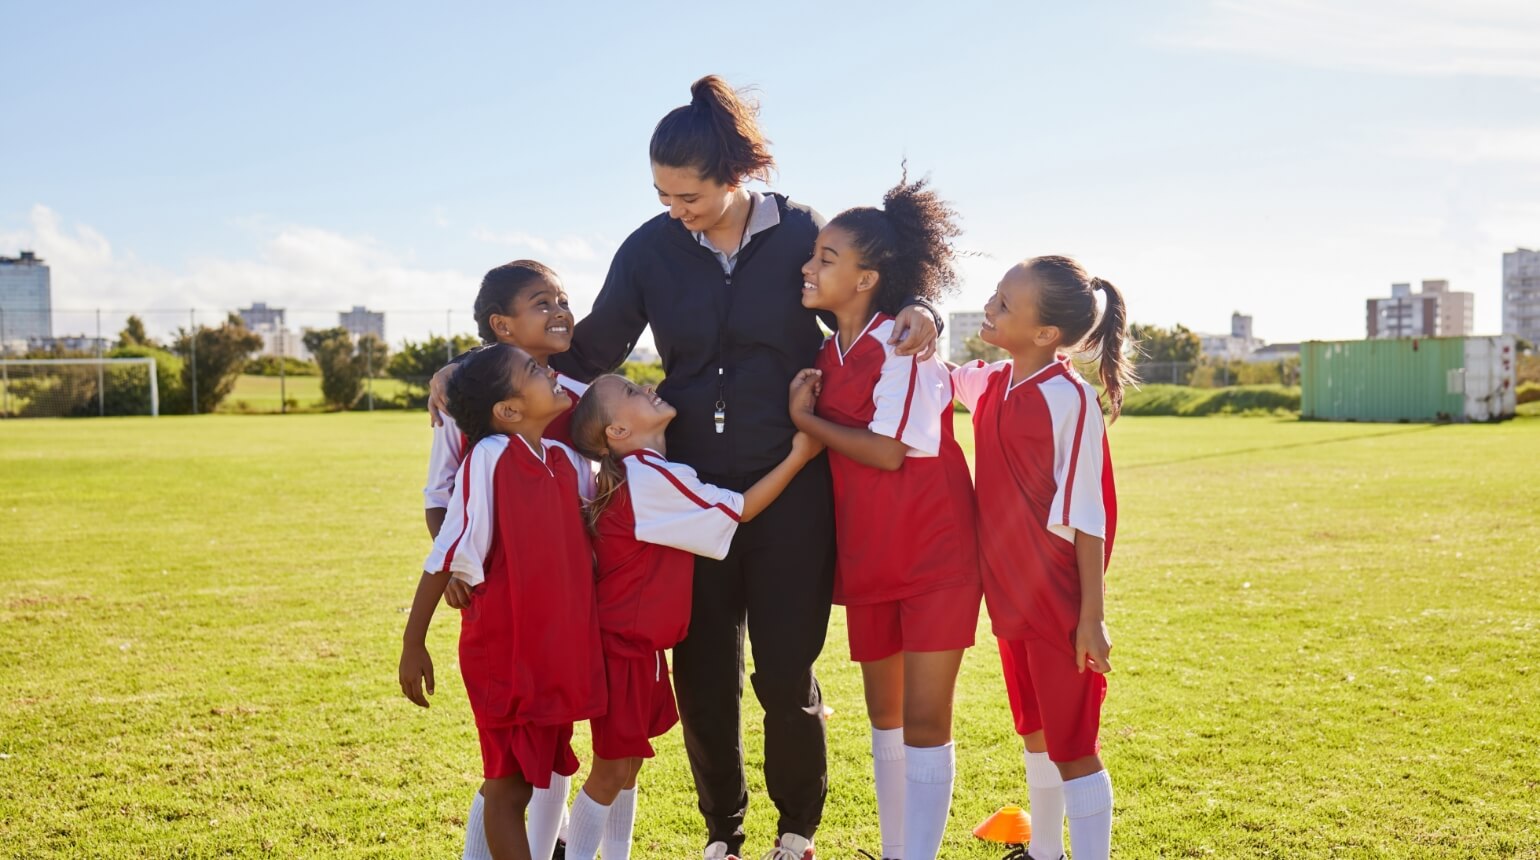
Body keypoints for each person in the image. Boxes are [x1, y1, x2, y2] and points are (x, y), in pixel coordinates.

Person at [541, 76, 942, 860]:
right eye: (661, 194)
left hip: (793, 490)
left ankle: (796, 834)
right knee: (703, 680)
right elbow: (592, 350)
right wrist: (484, 374)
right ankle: (722, 834)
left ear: (734, 177)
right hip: (690, 498)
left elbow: (869, 295)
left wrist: (919, 311)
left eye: (686, 195)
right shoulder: (649, 250)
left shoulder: (801, 234)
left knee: (786, 672)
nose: (673, 209)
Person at [786, 173, 981, 860]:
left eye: (826, 259)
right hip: (870, 554)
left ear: (867, 277)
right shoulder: (823, 354)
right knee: (885, 718)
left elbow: (890, 454)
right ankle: (898, 849)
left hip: (934, 553)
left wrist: (807, 422)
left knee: (927, 721)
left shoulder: (904, 345)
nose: (808, 268)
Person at [556, 374, 824, 860]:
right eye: (633, 394)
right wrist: (799, 455)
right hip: (623, 648)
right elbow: (739, 511)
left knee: (628, 766)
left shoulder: (644, 471)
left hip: (637, 649)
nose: (647, 386)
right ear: (616, 432)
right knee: (612, 770)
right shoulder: (650, 476)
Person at [948, 256, 1134, 860]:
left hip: (1058, 596)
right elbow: (940, 374)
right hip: (1007, 592)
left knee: (1073, 744)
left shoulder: (1070, 397)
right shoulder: (990, 382)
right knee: (1033, 729)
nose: (989, 308)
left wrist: (1091, 615)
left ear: (1046, 334)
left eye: (1004, 303)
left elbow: (1089, 512)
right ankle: (1044, 853)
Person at [400, 344, 605, 860]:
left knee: (535, 780)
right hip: (505, 655)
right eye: (535, 371)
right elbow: (445, 552)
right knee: (507, 787)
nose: (551, 372)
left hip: (552, 655)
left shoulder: (564, 460)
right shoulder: (488, 459)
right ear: (509, 410)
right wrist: (413, 642)